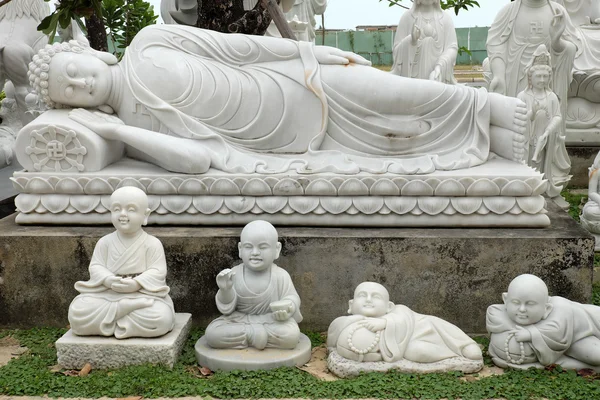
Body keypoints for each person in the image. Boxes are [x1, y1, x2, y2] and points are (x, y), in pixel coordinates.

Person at [28, 24, 527, 176]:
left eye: (74, 71)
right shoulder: (136, 126)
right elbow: (198, 159)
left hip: (297, 81)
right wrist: (114, 132)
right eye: (68, 92)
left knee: (405, 93)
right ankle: (503, 140)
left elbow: (239, 48)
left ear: (90, 53)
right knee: (402, 139)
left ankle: (503, 114)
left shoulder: (149, 42)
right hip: (284, 146)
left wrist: (308, 49)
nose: (79, 85)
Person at [68, 186, 175, 338]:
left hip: (141, 295)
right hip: (108, 293)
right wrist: (108, 279)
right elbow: (96, 266)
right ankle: (123, 310)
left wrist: (137, 283)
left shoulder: (152, 243)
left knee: (160, 316)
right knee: (77, 311)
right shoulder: (105, 242)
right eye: (117, 209)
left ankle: (115, 315)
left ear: (145, 215)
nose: (122, 214)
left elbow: (157, 271)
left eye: (131, 209)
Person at [204, 220, 302, 350]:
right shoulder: (234, 274)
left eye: (262, 247)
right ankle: (254, 335)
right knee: (212, 334)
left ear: (276, 249)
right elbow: (226, 309)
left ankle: (251, 336)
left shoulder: (280, 275)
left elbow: (292, 297)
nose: (255, 252)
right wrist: (225, 290)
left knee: (291, 335)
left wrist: (288, 308)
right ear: (240, 249)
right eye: (249, 247)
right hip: (240, 320)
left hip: (271, 320)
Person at [327, 282, 482, 364]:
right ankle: (451, 354)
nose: (368, 300)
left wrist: (385, 323)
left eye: (376, 296)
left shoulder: (398, 312)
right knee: (417, 351)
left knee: (436, 327)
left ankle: (462, 345)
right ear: (350, 305)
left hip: (421, 331)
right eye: (362, 295)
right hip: (409, 345)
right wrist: (354, 320)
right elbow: (332, 338)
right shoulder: (343, 322)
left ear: (389, 307)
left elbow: (402, 319)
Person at [487, 274, 600, 371]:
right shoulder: (497, 311)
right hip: (569, 342)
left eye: (530, 304)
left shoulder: (560, 309)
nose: (521, 309)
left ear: (547, 309)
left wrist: (531, 334)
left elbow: (557, 333)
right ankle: (586, 367)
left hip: (582, 332)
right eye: (516, 302)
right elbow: (493, 313)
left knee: (596, 356)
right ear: (505, 300)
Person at [517, 45, 570, 199]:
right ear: (530, 78)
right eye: (538, 76)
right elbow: (518, 118)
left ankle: (540, 190)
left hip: (545, 140)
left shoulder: (551, 96)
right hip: (528, 141)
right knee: (528, 164)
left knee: (541, 166)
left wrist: (547, 132)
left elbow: (557, 116)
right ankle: (526, 188)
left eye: (545, 76)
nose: (541, 80)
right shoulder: (523, 96)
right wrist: (532, 112)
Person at [390, 0, 458, 84]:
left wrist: (439, 67)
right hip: (413, 83)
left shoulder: (445, 19)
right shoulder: (407, 18)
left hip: (437, 79)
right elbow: (396, 51)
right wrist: (411, 40)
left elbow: (452, 48)